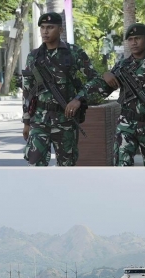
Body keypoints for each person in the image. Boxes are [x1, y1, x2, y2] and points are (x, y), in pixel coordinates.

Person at [83, 23, 145, 166]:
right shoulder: (121, 65)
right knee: (122, 167)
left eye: (137, 38)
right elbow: (103, 88)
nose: (133, 42)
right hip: (126, 124)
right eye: (130, 39)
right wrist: (102, 78)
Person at [21, 12, 100, 166]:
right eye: (42, 27)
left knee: (66, 169)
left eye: (50, 27)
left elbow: (96, 79)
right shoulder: (34, 56)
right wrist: (26, 121)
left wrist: (78, 99)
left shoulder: (74, 53)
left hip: (65, 120)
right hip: (39, 120)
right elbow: (27, 91)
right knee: (35, 166)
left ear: (60, 30)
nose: (45, 31)